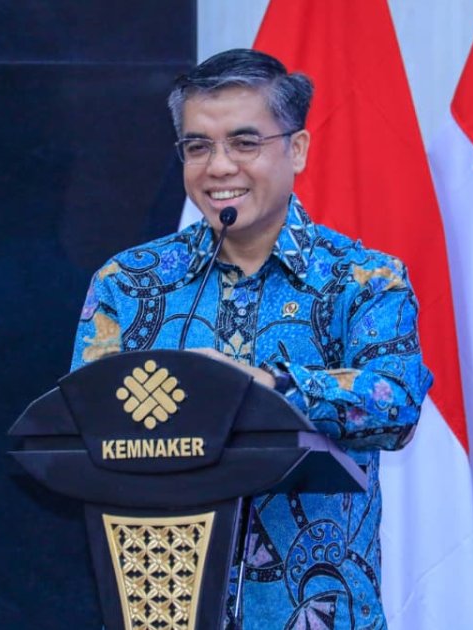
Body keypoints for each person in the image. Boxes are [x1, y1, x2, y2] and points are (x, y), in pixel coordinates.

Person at [71, 48, 432, 629]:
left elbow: (395, 404)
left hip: (313, 613)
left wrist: (266, 386)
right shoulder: (129, 283)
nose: (219, 167)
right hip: (161, 606)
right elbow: (84, 423)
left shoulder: (364, 280)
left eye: (244, 143)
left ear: (297, 149)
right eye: (197, 147)